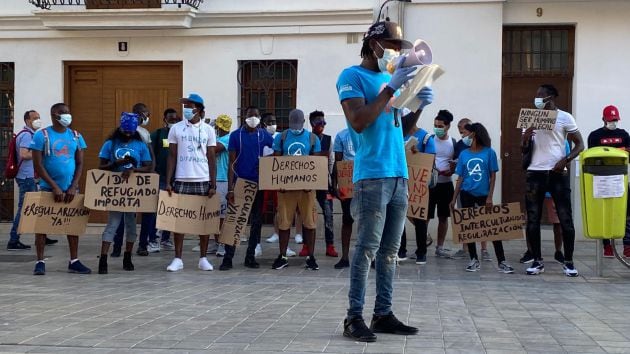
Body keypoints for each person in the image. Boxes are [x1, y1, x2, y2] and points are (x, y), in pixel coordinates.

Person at [336, 20, 433, 342]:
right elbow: (360, 122)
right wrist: (392, 88)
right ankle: (353, 317)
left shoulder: (389, 80)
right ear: (373, 44)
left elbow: (399, 131)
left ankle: (383, 313)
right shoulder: (353, 77)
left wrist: (417, 104)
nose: (394, 53)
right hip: (373, 176)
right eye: (390, 46)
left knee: (390, 252)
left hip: (398, 174)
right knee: (365, 250)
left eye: (398, 48)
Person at [521, 84, 584, 276]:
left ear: (551, 97)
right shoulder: (529, 117)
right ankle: (537, 260)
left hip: (557, 174)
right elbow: (523, 148)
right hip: (535, 172)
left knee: (565, 218)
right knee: (533, 218)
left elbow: (580, 144)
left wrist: (565, 160)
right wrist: (526, 136)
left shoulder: (565, 117)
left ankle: (569, 261)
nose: (537, 98)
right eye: (536, 95)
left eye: (541, 95)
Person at [30, 103, 91, 275]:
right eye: (63, 112)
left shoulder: (76, 136)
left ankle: (74, 260)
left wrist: (73, 186)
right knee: (41, 226)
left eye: (68, 112)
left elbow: (80, 163)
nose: (67, 116)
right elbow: (38, 164)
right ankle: (40, 261)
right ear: (53, 115)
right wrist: (54, 186)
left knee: (72, 225)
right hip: (48, 188)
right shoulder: (42, 135)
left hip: (70, 189)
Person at [450, 123, 514, 273]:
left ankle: (502, 261)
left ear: (475, 134)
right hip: (466, 194)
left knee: (493, 228)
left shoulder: (489, 153)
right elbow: (460, 178)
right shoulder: (464, 154)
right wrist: (454, 198)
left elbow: (493, 176)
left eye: (467, 133)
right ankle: (474, 259)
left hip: (484, 195)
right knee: (469, 228)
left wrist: (490, 197)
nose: (464, 136)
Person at [165, 93, 217, 272]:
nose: (186, 108)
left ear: (199, 109)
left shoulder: (209, 130)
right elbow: (171, 155)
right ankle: (178, 258)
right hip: (181, 178)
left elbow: (211, 157)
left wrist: (213, 183)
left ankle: (203, 258)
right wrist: (169, 180)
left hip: (202, 179)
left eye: (190, 105)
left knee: (203, 221)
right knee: (179, 221)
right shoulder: (176, 129)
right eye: (185, 105)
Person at [97, 113, 153, 274]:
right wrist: (116, 164)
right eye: (125, 131)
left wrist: (133, 169)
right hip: (116, 192)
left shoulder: (140, 145)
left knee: (131, 226)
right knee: (112, 224)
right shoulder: (110, 144)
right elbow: (101, 166)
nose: (128, 135)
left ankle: (127, 256)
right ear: (120, 129)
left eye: (131, 132)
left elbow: (148, 166)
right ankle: (103, 259)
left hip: (132, 192)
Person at [221, 106, 273, 270]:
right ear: (245, 117)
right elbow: (231, 162)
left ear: (260, 118)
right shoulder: (236, 136)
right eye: (250, 115)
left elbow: (273, 156)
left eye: (256, 115)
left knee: (256, 222)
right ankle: (228, 258)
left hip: (259, 185)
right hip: (240, 183)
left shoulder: (265, 135)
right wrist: (230, 188)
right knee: (234, 221)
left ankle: (250, 257)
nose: (253, 118)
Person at [270, 109, 321, 270]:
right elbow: (276, 160)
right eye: (293, 125)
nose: (296, 128)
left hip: (307, 189)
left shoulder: (312, 138)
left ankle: (310, 256)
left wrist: (311, 184)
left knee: (310, 222)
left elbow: (316, 163)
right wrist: (280, 182)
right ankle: (282, 255)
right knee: (284, 222)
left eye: (298, 126)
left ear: (303, 124)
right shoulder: (282, 137)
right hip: (286, 188)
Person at [7, 110, 57, 250]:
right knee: (24, 209)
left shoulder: (30, 134)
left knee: (36, 207)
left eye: (39, 117)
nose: (38, 120)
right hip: (27, 177)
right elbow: (24, 154)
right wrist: (40, 152)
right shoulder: (27, 136)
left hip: (29, 177)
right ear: (27, 120)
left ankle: (42, 236)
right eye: (35, 118)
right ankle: (13, 239)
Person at [586, 105, 630, 258]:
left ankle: (627, 246)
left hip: (620, 179)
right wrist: (619, 151)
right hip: (601, 179)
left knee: (627, 212)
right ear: (603, 119)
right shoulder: (595, 136)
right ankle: (607, 246)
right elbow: (592, 156)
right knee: (603, 212)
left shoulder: (623, 134)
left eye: (615, 119)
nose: (613, 122)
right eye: (610, 119)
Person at [450, 118, 489, 260]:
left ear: (471, 132)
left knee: (482, 220)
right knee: (465, 219)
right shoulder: (460, 146)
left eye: (464, 131)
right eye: (460, 131)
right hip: (464, 188)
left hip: (481, 188)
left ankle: (484, 249)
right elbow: (458, 167)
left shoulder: (485, 148)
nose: (462, 135)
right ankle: (465, 248)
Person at [399, 122, 436, 265]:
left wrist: (416, 153)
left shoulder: (426, 138)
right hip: (401, 180)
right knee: (399, 217)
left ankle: (422, 252)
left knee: (420, 219)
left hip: (418, 183)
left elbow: (430, 161)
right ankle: (401, 250)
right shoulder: (398, 134)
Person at [308, 110, 338, 258]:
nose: (322, 125)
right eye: (319, 122)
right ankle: (307, 246)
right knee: (308, 215)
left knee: (328, 214)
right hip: (309, 184)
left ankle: (330, 245)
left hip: (324, 184)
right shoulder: (307, 139)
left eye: (324, 122)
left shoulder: (328, 140)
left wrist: (333, 184)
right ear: (312, 124)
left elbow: (332, 162)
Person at [150, 108, 180, 251]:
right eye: (170, 119)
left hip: (177, 178)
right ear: (165, 120)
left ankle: (166, 239)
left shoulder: (181, 135)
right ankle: (153, 239)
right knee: (159, 210)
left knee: (171, 210)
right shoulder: (158, 134)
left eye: (176, 120)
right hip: (160, 177)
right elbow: (151, 152)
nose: (173, 122)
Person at [429, 109, 457, 258]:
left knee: (443, 216)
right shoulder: (429, 140)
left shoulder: (453, 143)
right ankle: (422, 245)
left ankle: (439, 247)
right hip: (430, 184)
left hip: (446, 184)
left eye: (440, 126)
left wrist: (452, 170)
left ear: (447, 126)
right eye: (435, 125)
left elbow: (458, 162)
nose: (437, 128)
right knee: (424, 216)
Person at [132, 103, 157, 256]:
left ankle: (143, 244)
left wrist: (152, 169)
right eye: (144, 114)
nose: (147, 117)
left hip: (144, 176)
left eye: (148, 114)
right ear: (136, 113)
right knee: (127, 213)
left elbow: (150, 152)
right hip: (128, 177)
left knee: (148, 213)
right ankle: (117, 246)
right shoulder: (125, 130)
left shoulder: (145, 132)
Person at [332, 127, 355, 269]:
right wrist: (335, 185)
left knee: (371, 222)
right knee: (347, 219)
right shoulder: (341, 135)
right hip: (348, 183)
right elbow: (338, 162)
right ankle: (345, 257)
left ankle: (372, 257)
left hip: (368, 180)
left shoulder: (371, 132)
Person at [213, 114, 232, 262]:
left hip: (223, 179)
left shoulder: (226, 139)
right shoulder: (219, 138)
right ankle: (216, 242)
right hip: (215, 179)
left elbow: (213, 149)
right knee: (214, 214)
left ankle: (222, 244)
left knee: (222, 216)